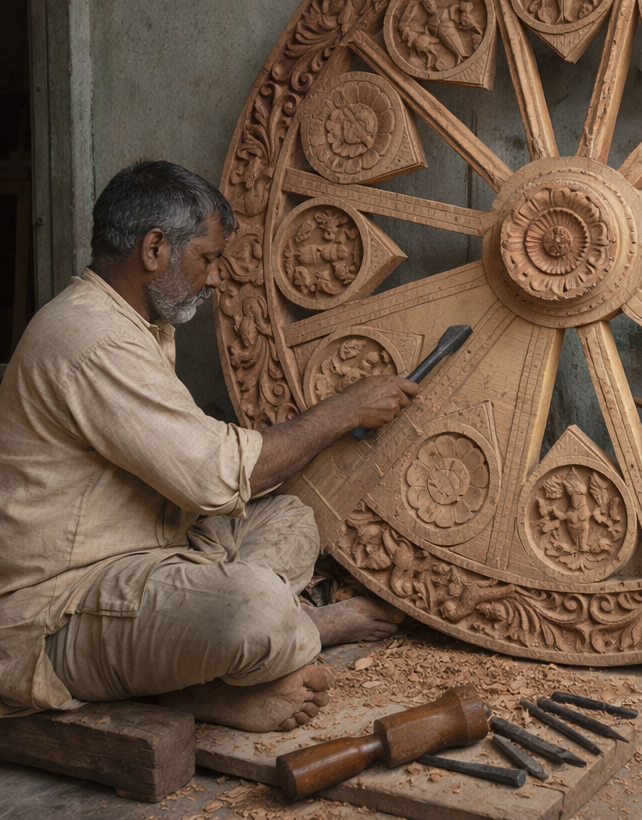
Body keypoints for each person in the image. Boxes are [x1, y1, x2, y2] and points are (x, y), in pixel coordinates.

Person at [0, 161, 418, 732]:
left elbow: (211, 480)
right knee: (255, 608)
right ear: (154, 249)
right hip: (60, 609)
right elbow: (214, 475)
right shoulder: (91, 338)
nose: (215, 278)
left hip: (156, 551)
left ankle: (209, 667)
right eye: (208, 257)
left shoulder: (135, 326)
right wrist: (342, 412)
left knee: (292, 518)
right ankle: (295, 635)